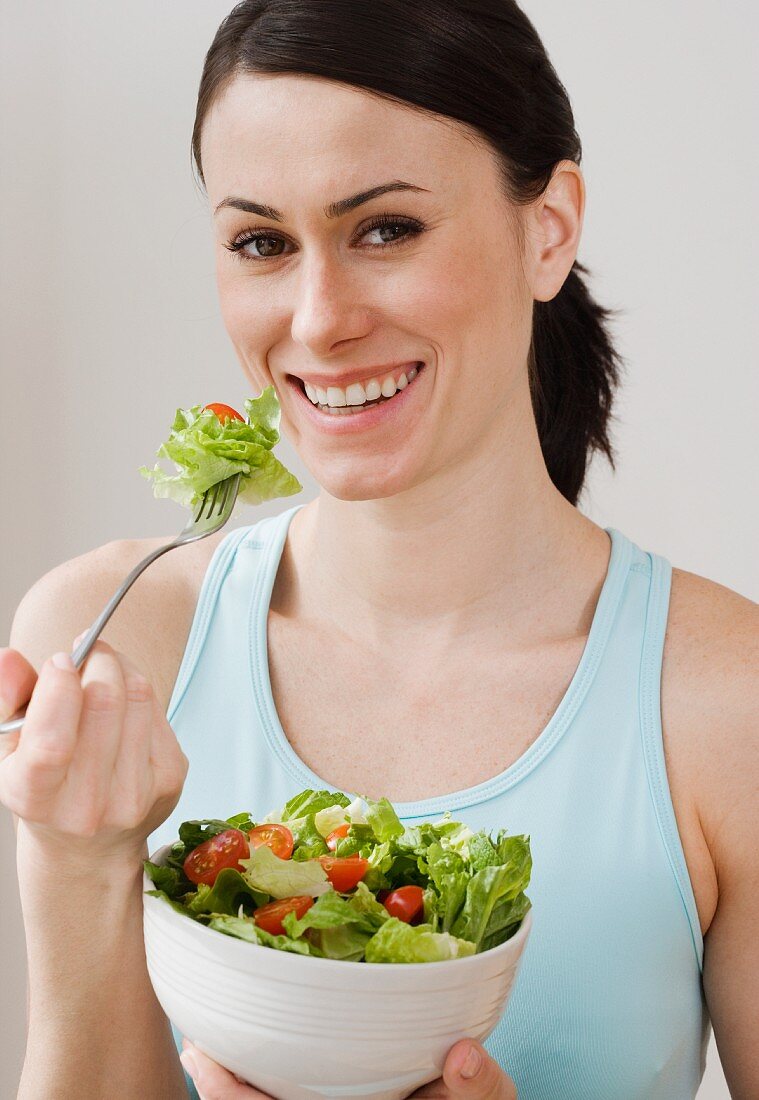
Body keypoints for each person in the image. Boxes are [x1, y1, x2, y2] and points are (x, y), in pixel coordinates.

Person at [1, 1, 756, 1098]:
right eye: (262, 242)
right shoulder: (113, 642)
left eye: (386, 229)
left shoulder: (724, 700)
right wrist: (76, 861)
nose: (316, 320)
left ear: (547, 229)